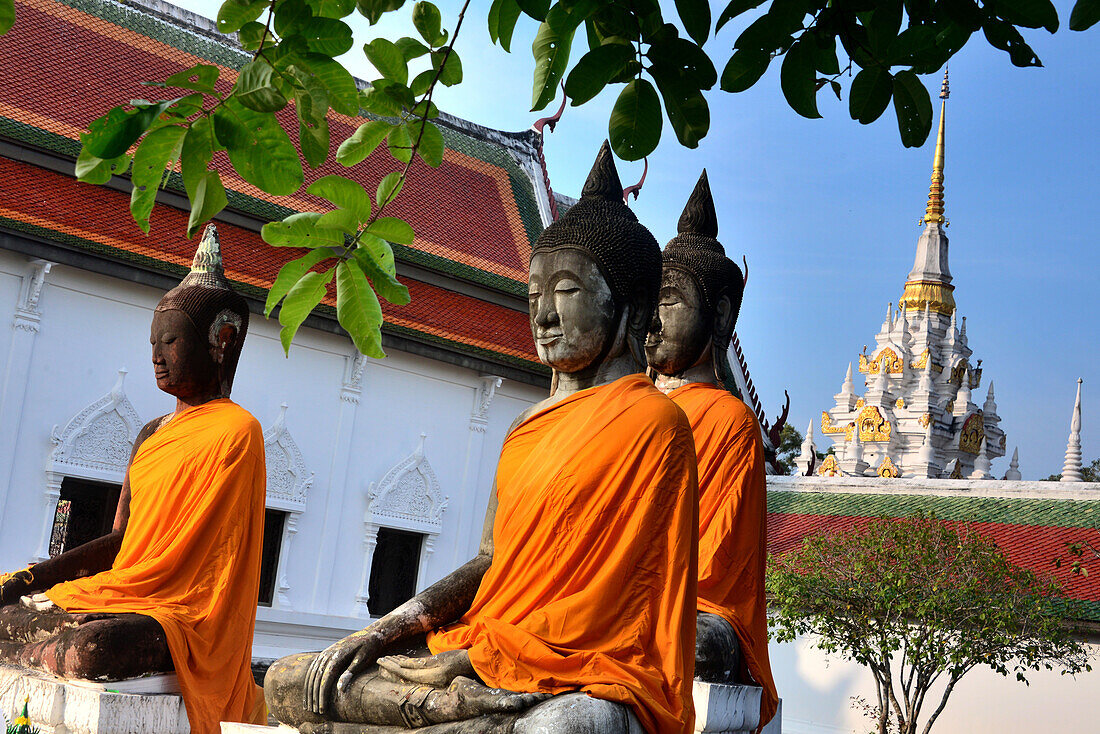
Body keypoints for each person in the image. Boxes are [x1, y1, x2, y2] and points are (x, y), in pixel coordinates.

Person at [265, 142, 699, 734]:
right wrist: (387, 629)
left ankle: (457, 710)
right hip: (484, 647)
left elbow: (624, 601)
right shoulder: (527, 428)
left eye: (567, 291)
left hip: (582, 665)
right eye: (533, 295)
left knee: (559, 729)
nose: (543, 316)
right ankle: (451, 712)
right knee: (290, 680)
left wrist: (474, 659)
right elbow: (492, 563)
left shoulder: (656, 426)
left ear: (631, 305)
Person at [0, 226, 267, 734]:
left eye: (171, 340)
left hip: (185, 612)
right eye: (153, 342)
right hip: (124, 589)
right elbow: (124, 541)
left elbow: (215, 565)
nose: (157, 354)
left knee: (92, 648)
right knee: (5, 613)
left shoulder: (239, 432)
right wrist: (36, 577)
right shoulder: (152, 432)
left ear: (221, 341)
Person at [645, 171, 779, 730]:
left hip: (700, 608)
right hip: (618, 593)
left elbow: (715, 559)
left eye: (670, 301)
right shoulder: (626, 410)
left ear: (719, 316)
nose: (652, 318)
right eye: (648, 300)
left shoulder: (730, 421)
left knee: (690, 639)